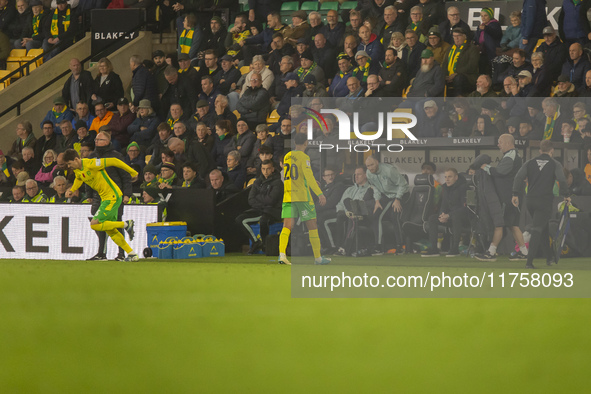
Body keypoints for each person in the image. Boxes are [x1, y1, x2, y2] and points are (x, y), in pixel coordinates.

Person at [63, 149, 139, 261]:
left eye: (69, 163)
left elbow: (114, 161)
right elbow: (79, 178)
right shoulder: (77, 170)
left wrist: (132, 172)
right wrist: (73, 189)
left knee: (94, 224)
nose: (69, 166)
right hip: (106, 198)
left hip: (112, 196)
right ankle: (132, 254)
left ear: (76, 159)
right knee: (111, 231)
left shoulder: (91, 163)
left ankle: (126, 224)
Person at [512, 140, 570, 268]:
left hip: (530, 201)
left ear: (540, 151)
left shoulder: (529, 162)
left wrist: (515, 193)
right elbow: (561, 179)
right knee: (537, 229)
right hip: (544, 201)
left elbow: (518, 177)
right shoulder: (555, 163)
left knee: (543, 228)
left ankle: (549, 258)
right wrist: (566, 195)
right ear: (552, 151)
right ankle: (529, 262)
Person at [278, 133, 330, 265]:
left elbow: (290, 177)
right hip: (302, 197)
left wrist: (306, 182)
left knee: (287, 226)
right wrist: (320, 194)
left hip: (288, 196)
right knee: (312, 225)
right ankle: (318, 258)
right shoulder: (304, 157)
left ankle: (282, 255)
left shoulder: (287, 156)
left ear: (295, 142)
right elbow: (309, 176)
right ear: (306, 143)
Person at [476, 134, 529, 261]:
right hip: (514, 196)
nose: (498, 145)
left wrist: (486, 167)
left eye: (500, 142)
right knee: (513, 225)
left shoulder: (510, 156)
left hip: (509, 197)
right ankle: (524, 252)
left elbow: (500, 172)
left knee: (499, 224)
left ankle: (491, 252)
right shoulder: (513, 155)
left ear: (507, 143)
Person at [422, 168, 472, 257]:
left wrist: (448, 215)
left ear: (456, 177)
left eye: (450, 177)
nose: (447, 179)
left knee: (456, 216)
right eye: (445, 177)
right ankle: (434, 249)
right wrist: (442, 215)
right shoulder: (445, 187)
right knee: (432, 218)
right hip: (450, 217)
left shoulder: (464, 187)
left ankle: (455, 249)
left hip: (465, 218)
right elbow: (444, 204)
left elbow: (466, 208)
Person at [365, 155, 409, 255]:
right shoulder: (369, 173)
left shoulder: (389, 170)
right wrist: (377, 201)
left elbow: (403, 184)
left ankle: (400, 246)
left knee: (395, 215)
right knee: (376, 215)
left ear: (376, 162)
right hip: (386, 195)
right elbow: (375, 187)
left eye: (372, 164)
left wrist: (398, 199)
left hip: (401, 194)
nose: (370, 167)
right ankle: (378, 247)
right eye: (368, 166)